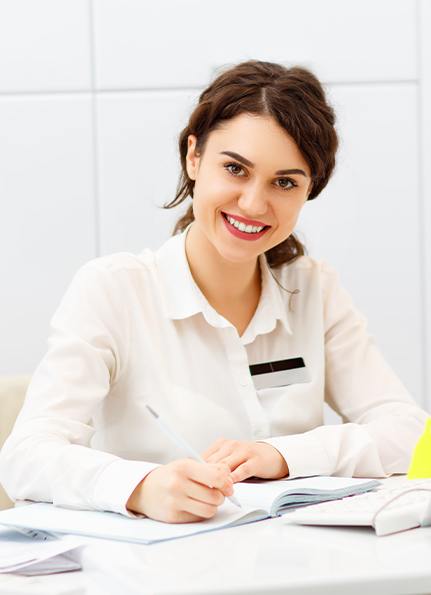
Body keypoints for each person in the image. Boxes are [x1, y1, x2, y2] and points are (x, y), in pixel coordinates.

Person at [0, 60, 428, 524]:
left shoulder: (313, 288)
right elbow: (26, 455)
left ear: (309, 191)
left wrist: (280, 455)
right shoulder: (114, 289)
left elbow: (409, 433)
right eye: (235, 169)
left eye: (284, 182)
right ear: (194, 158)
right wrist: (139, 487)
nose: (253, 203)